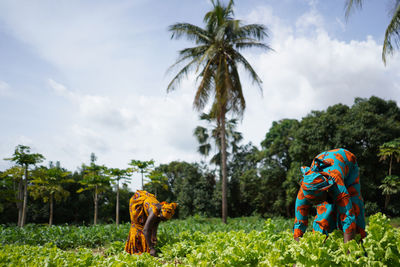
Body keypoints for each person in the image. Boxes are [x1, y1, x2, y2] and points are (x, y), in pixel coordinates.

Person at [293, 148, 366, 243]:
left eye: (316, 200)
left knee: (354, 206)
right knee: (324, 216)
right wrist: (299, 249)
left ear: (325, 190)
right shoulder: (305, 188)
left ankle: (359, 244)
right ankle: (324, 243)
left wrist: (349, 251)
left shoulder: (337, 184)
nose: (313, 204)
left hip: (347, 161)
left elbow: (348, 217)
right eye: (311, 201)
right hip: (322, 161)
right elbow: (299, 222)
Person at [125, 190, 177, 256]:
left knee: (148, 228)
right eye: (163, 219)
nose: (163, 221)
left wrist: (154, 236)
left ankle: (146, 247)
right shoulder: (154, 212)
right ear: (160, 213)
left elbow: (156, 222)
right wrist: (151, 248)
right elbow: (146, 230)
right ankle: (136, 249)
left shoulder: (160, 211)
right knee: (140, 226)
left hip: (147, 202)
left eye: (165, 220)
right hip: (138, 203)